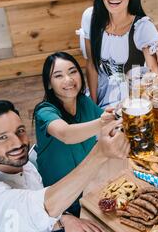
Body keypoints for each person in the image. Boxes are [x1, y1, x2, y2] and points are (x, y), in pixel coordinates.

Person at [0, 100, 129, 232]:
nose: (17, 143)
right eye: (2, 138)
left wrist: (64, 219)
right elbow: (42, 207)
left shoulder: (26, 166)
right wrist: (100, 153)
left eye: (20, 131)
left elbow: (36, 211)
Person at [33, 52, 114, 218]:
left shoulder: (83, 101)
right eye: (58, 75)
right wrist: (103, 122)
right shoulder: (44, 112)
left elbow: (106, 119)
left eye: (72, 72)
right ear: (49, 84)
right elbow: (65, 134)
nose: (68, 79)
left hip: (88, 188)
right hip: (61, 203)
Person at [78, 0, 158, 108]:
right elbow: (91, 64)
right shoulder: (90, 17)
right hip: (101, 92)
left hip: (133, 97)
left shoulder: (142, 27)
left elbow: (155, 72)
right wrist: (94, 107)